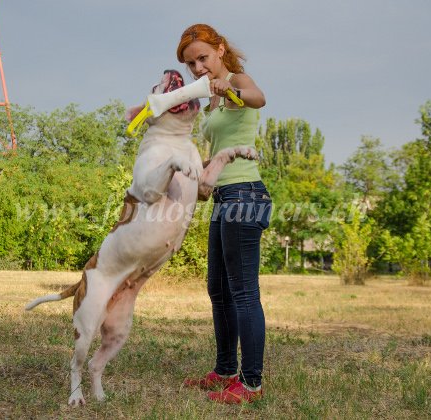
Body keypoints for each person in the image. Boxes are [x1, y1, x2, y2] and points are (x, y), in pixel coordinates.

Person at [177, 24, 272, 404]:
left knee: (244, 293)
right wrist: (193, 169)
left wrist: (229, 89)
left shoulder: (235, 81)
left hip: (245, 197)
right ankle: (225, 370)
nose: (198, 68)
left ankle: (251, 384)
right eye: (190, 63)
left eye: (202, 58)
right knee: (218, 290)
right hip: (224, 197)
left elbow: (258, 98)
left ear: (219, 49)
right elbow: (226, 148)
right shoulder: (211, 99)